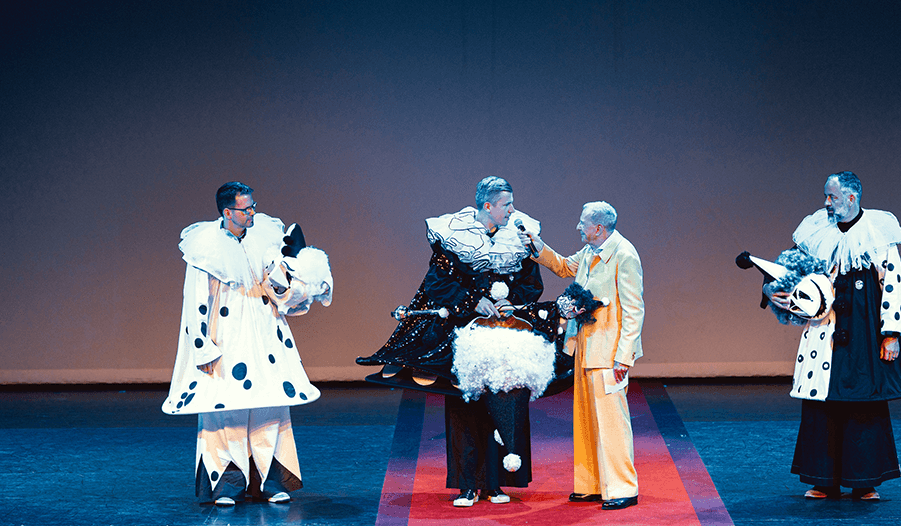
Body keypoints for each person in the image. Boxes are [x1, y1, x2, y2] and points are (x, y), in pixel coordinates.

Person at [357, 176, 545, 507]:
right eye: (506, 205)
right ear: (488, 206)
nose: (512, 210)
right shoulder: (456, 236)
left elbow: (532, 284)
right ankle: (468, 485)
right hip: (466, 333)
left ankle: (496, 484)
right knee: (465, 406)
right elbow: (437, 283)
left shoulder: (519, 235)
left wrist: (511, 300)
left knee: (503, 403)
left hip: (503, 332)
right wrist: (472, 301)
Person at [162, 182, 333, 505]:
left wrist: (306, 284)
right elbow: (195, 300)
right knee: (226, 410)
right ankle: (227, 485)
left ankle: (270, 481)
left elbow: (277, 286)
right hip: (227, 336)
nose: (252, 212)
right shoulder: (205, 247)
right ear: (228, 212)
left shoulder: (264, 237)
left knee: (269, 404)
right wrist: (202, 345)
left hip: (264, 333)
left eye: (253, 206)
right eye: (245, 209)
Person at [766, 171, 901, 500]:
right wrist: (773, 287)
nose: (826, 202)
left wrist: (891, 334)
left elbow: (892, 284)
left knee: (863, 400)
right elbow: (790, 268)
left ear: (852, 197)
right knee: (822, 401)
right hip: (825, 328)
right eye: (826, 195)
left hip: (863, 329)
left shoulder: (878, 232)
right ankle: (822, 479)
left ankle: (864, 481)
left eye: (832, 196)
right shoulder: (817, 230)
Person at [521, 201, 644, 511]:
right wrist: (538, 246)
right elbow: (564, 266)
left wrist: (624, 357)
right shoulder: (591, 251)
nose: (578, 227)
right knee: (586, 420)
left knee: (612, 423)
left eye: (582, 222)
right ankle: (591, 485)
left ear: (598, 227)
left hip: (609, 353)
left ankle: (623, 487)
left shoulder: (624, 254)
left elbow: (634, 310)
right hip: (586, 348)